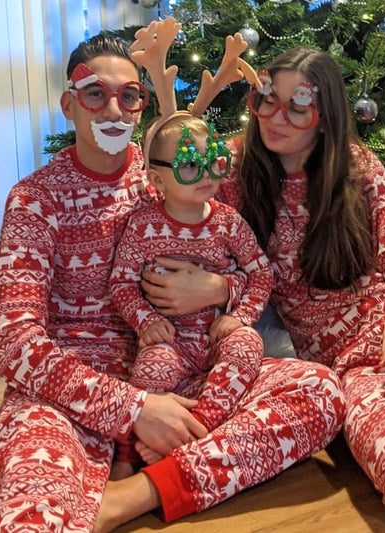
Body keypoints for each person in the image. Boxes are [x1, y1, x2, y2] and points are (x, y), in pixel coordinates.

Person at [0, 29, 345, 533]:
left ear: (140, 107)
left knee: (320, 392)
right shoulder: (35, 201)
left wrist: (221, 291)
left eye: (128, 95)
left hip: (185, 369)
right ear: (70, 106)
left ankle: (135, 494)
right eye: (95, 94)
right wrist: (131, 409)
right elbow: (10, 342)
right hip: (70, 394)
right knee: (33, 520)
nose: (113, 109)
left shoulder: (180, 169)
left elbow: (253, 264)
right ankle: (156, 466)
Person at [215, 45, 385, 518]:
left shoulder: (358, 166)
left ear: (325, 119)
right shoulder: (234, 172)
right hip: (349, 368)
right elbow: (166, 176)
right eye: (266, 99)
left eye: (298, 107)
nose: (275, 116)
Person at [108, 113, 273, 475]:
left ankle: (200, 425)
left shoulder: (228, 221)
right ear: (156, 179)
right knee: (153, 367)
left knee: (248, 344)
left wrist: (239, 316)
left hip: (217, 335)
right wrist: (146, 319)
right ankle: (126, 454)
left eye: (213, 160)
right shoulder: (143, 226)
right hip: (169, 341)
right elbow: (120, 283)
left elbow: (261, 272)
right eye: (188, 165)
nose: (208, 175)